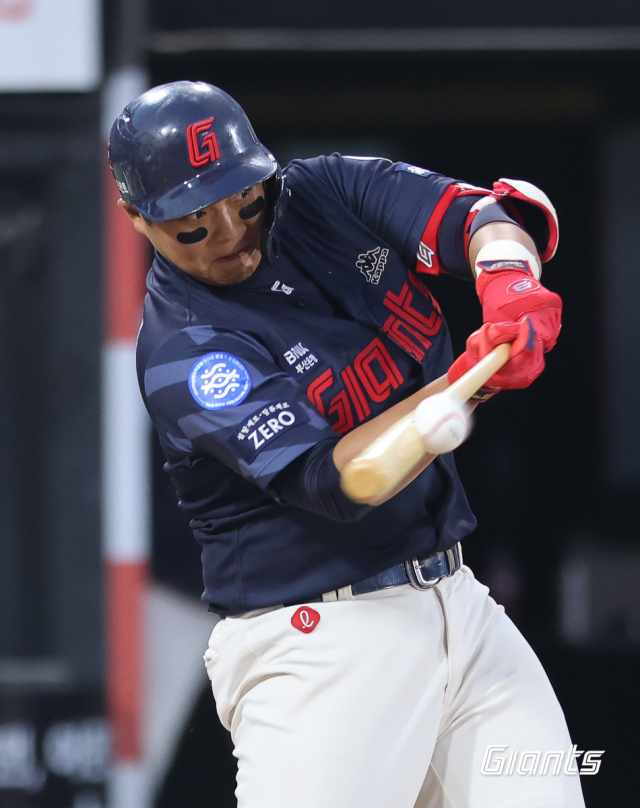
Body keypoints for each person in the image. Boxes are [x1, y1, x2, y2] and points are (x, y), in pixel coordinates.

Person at [109, 80, 584, 807]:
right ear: (138, 219)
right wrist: (465, 388)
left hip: (459, 605)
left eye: (243, 199)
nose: (231, 233)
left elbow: (481, 216)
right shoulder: (185, 350)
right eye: (193, 224)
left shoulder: (325, 191)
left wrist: (508, 278)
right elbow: (342, 480)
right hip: (320, 645)